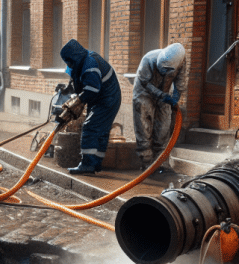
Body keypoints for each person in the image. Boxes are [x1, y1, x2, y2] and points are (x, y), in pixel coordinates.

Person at [59, 39, 121, 175]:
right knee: (100, 130)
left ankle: (87, 165)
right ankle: (95, 164)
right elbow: (78, 82)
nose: (68, 64)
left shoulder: (90, 64)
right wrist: (67, 89)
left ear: (74, 57)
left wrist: (78, 102)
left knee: (91, 127)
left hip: (107, 99)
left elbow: (92, 89)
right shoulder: (82, 60)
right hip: (104, 98)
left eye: (69, 61)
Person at [132, 43, 186, 171]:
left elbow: (180, 81)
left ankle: (161, 164)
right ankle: (146, 163)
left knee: (163, 128)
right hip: (143, 92)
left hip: (165, 92)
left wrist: (175, 98)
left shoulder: (180, 60)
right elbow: (145, 82)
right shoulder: (148, 59)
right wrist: (162, 95)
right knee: (144, 126)